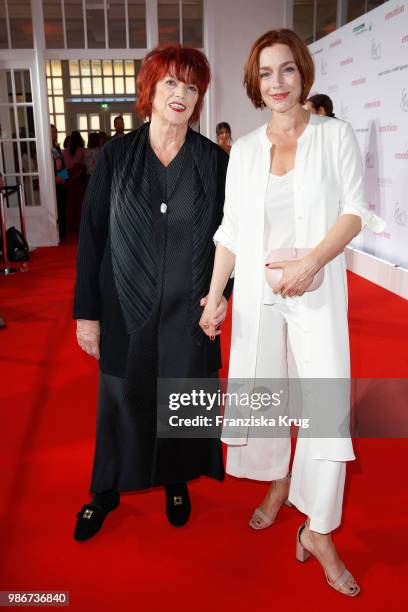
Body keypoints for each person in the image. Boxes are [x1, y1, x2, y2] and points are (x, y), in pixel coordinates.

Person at [200, 29, 384, 597]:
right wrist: (214, 295)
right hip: (258, 295)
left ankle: (319, 529)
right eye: (266, 73)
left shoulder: (335, 135)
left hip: (317, 290)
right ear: (255, 83)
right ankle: (279, 483)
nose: (276, 83)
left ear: (303, 75)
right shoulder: (248, 150)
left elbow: (355, 211)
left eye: (287, 70)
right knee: (267, 393)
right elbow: (230, 232)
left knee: (326, 408)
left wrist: (311, 263)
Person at [73, 45, 232, 542]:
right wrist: (87, 315)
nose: (180, 94)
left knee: (184, 399)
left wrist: (225, 292)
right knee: (120, 398)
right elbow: (92, 235)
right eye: (170, 83)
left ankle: (176, 480)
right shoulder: (119, 155)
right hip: (124, 305)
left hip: (190, 312)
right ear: (151, 90)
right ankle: (106, 490)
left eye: (191, 86)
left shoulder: (212, 162)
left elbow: (233, 236)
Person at [63, 131, 86, 232]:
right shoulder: (81, 150)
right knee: (79, 201)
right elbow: (80, 163)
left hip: (67, 175)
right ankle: (79, 224)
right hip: (77, 175)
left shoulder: (64, 151)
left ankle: (69, 225)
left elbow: (64, 165)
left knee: (69, 202)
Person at [51, 124, 67, 242]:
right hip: (52, 182)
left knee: (62, 207)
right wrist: (53, 178)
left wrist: (63, 178)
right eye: (51, 132)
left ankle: (62, 233)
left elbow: (62, 165)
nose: (54, 134)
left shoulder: (56, 147)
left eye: (55, 132)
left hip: (60, 182)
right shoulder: (45, 148)